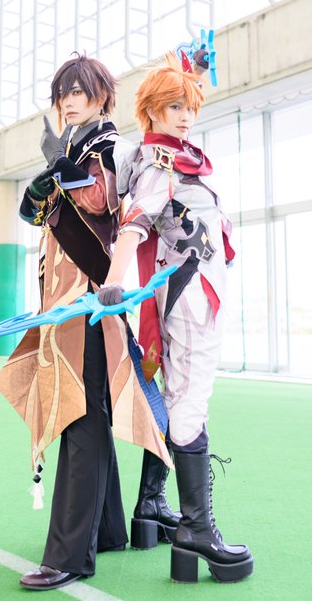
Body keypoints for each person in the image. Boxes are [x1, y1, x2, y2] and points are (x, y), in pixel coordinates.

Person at [0, 53, 177, 592]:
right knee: (85, 412)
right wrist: (43, 185)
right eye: (63, 93)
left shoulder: (109, 145)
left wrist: (60, 170)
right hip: (64, 301)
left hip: (90, 301)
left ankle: (69, 553)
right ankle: (107, 530)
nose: (68, 101)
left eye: (78, 91)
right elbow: (38, 214)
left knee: (81, 415)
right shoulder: (77, 148)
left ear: (102, 96)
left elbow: (99, 202)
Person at [98, 51, 254, 584]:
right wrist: (115, 278)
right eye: (174, 108)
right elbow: (135, 223)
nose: (186, 117)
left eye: (190, 107)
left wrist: (194, 75)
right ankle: (196, 530)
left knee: (180, 396)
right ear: (151, 111)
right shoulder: (160, 164)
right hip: (189, 299)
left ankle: (156, 507)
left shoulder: (170, 157)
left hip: (194, 294)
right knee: (190, 402)